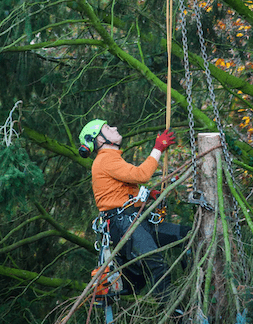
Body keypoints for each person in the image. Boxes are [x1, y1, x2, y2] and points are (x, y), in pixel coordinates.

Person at [78, 119, 189, 302]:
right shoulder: (105, 159)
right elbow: (141, 175)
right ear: (98, 140)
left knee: (185, 235)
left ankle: (194, 283)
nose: (114, 127)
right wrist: (158, 148)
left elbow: (122, 189)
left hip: (134, 221)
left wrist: (146, 195)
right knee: (157, 266)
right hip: (124, 224)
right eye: (107, 128)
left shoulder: (110, 159)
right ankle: (176, 317)